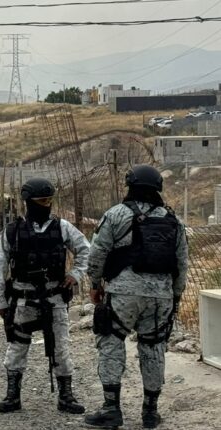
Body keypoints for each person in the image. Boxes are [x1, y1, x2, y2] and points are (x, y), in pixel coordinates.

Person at [85, 165, 188, 429]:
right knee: (153, 348)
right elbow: (181, 263)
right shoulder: (173, 220)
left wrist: (95, 283)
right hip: (161, 298)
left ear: (130, 186)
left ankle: (111, 408)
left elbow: (97, 254)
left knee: (111, 341)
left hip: (123, 293)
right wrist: (174, 296)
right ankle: (150, 412)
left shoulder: (116, 214)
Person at [0, 178, 90, 415]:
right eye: (42, 201)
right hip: (23, 299)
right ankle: (13, 395)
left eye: (49, 200)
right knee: (17, 346)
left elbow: (86, 250)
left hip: (54, 298)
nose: (47, 205)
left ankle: (66, 396)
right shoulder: (12, 231)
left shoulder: (62, 227)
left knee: (61, 348)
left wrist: (75, 274)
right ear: (29, 203)